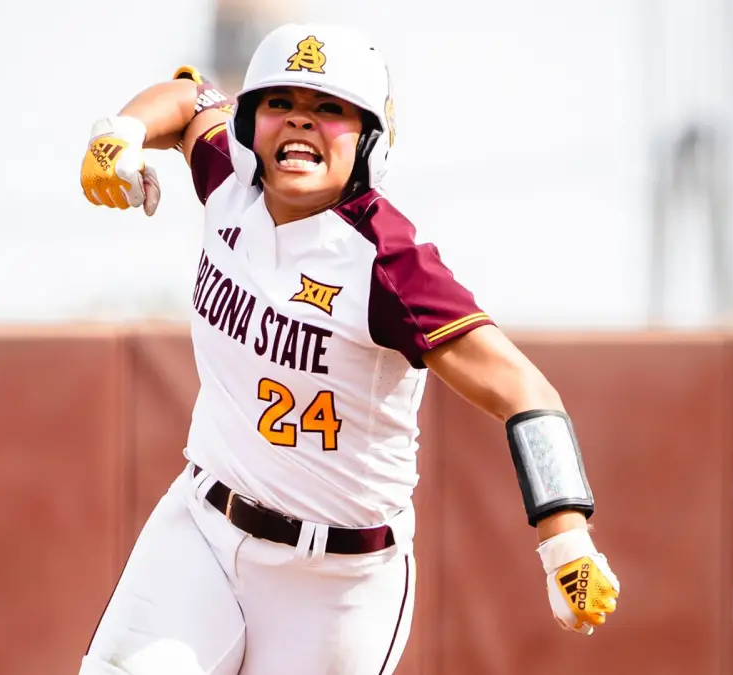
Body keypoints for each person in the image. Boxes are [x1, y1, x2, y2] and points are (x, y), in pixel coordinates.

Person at [76, 22, 621, 675]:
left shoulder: (386, 262)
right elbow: (190, 101)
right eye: (281, 104)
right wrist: (119, 133)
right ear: (252, 121)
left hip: (338, 581)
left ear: (367, 139)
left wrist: (565, 539)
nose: (300, 123)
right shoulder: (228, 178)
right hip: (203, 531)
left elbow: (525, 392)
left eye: (329, 110)